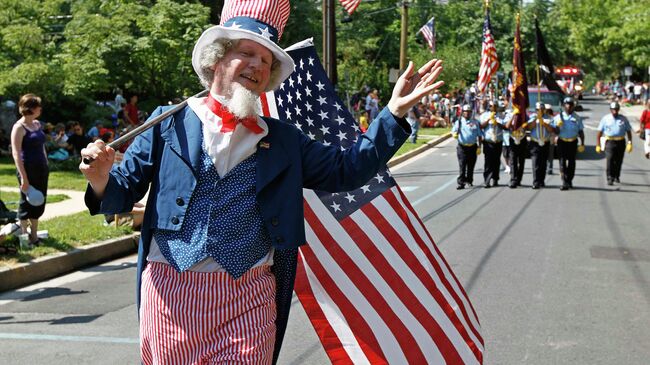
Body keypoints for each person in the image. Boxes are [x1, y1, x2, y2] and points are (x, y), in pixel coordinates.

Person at [78, 1, 444, 363]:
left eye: (267, 61)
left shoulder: (285, 138)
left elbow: (347, 170)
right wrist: (99, 178)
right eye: (247, 53)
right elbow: (119, 194)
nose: (257, 65)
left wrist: (393, 113)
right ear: (217, 60)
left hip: (249, 294)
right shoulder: (168, 123)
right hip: (171, 292)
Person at [10, 94, 48, 246]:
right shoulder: (19, 127)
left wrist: (46, 161)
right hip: (27, 169)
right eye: (38, 106)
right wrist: (24, 178)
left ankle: (34, 235)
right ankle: (25, 237)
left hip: (41, 168)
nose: (40, 108)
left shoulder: (37, 124)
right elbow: (16, 153)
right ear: (31, 108)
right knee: (26, 202)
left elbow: (42, 146)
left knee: (39, 200)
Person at [551, 97, 585, 190]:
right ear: (563, 106)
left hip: (573, 142)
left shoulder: (577, 118)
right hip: (562, 142)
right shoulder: (558, 117)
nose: (569, 106)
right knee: (562, 162)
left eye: (571, 105)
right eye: (567, 104)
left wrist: (582, 143)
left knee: (571, 162)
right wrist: (558, 126)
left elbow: (581, 131)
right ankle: (564, 181)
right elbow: (554, 131)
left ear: (573, 106)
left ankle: (569, 180)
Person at [595, 102, 633, 185]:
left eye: (616, 110)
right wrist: (598, 145)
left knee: (619, 160)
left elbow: (628, 131)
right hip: (609, 142)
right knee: (610, 159)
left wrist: (630, 142)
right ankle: (610, 177)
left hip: (621, 141)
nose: (615, 112)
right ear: (610, 110)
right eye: (613, 110)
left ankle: (616, 176)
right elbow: (599, 132)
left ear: (618, 110)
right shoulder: (605, 119)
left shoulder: (623, 119)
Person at [452, 104, 483, 189]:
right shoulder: (459, 122)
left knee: (471, 165)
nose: (467, 113)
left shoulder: (475, 122)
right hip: (462, 147)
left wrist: (479, 146)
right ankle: (461, 182)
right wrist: (454, 134)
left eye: (469, 112)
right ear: (462, 113)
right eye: (466, 112)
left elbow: (480, 135)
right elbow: (454, 131)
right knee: (462, 165)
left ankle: (469, 181)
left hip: (473, 146)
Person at [526, 102, 554, 189]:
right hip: (535, 142)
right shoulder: (532, 117)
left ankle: (541, 180)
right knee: (535, 162)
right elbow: (529, 127)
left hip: (545, 142)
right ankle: (536, 181)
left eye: (542, 109)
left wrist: (544, 123)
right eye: (538, 109)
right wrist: (537, 120)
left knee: (543, 162)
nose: (540, 111)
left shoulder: (548, 118)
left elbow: (552, 129)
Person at [479, 100, 505, 187]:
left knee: (496, 161)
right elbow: (481, 126)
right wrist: (489, 119)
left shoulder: (501, 116)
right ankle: (487, 180)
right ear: (489, 107)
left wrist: (497, 122)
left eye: (495, 106)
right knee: (488, 161)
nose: (493, 108)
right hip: (488, 141)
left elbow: (505, 127)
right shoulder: (484, 115)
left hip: (498, 141)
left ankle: (495, 179)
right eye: (491, 106)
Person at [505, 107, 528, 188]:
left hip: (522, 138)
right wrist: (513, 115)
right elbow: (507, 126)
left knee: (521, 161)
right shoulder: (509, 114)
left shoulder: (524, 114)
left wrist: (523, 123)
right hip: (513, 138)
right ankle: (513, 179)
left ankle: (519, 179)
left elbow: (527, 125)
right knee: (513, 160)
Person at [545, 104, 556, 175]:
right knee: (544, 154)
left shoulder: (553, 118)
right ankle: (544, 167)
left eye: (548, 110)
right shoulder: (542, 117)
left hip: (551, 139)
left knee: (550, 155)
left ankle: (550, 168)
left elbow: (554, 128)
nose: (547, 111)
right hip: (543, 139)